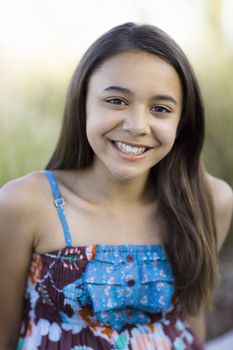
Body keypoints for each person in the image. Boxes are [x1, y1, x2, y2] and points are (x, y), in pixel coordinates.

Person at [0, 22, 232, 350]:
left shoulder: (208, 200)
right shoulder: (25, 203)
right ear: (83, 102)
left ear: (182, 122)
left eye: (160, 109)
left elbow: (191, 327)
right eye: (116, 101)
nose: (137, 125)